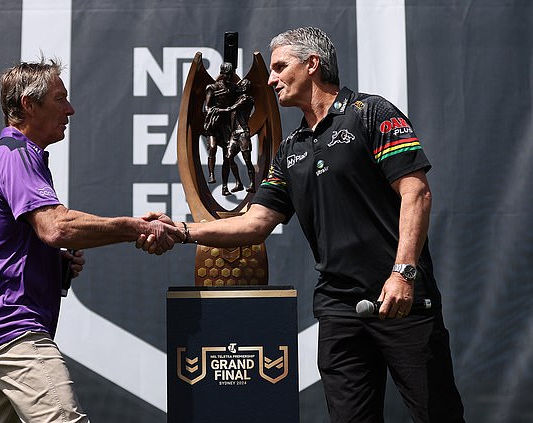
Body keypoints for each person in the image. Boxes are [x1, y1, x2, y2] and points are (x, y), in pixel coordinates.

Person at [141, 27, 465, 422]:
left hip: (401, 299)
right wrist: (182, 231)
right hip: (339, 309)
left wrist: (403, 273)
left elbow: (416, 194)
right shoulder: (290, 149)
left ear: (312, 65)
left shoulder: (372, 112)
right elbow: (255, 224)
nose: (271, 79)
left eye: (279, 67)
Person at [0, 59, 181, 422]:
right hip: (13, 332)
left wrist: (46, 261)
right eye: (60, 99)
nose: (70, 109)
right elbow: (56, 228)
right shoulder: (16, 157)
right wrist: (134, 227)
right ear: (29, 104)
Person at [203, 62, 256, 195]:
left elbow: (242, 92)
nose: (228, 77)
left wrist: (227, 109)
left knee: (228, 157)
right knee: (214, 148)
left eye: (230, 74)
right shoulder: (212, 87)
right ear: (221, 73)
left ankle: (228, 186)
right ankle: (211, 174)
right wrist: (216, 111)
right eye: (225, 74)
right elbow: (207, 107)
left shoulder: (235, 90)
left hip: (229, 128)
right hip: (215, 125)